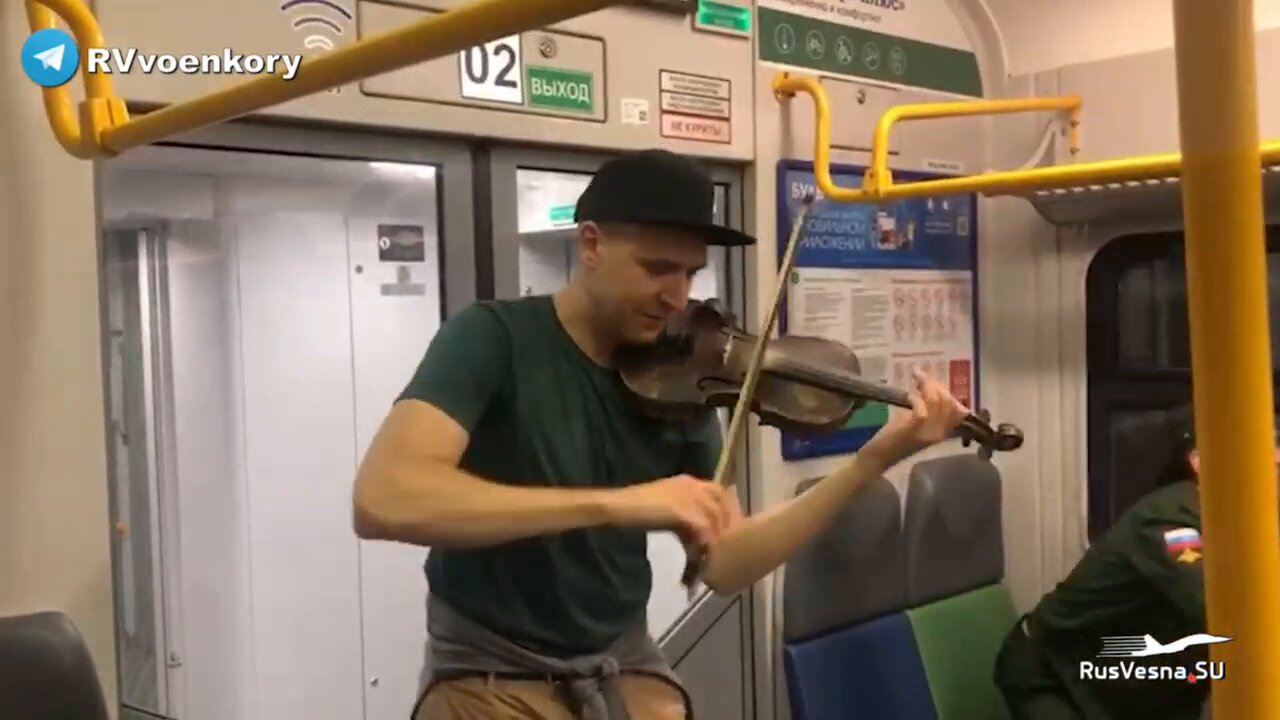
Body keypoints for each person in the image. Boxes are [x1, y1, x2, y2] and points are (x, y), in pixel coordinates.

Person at [351, 148, 971, 720]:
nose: (677, 297)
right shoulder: (492, 339)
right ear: (590, 244)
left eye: (690, 274)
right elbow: (385, 498)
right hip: (493, 674)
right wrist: (619, 504)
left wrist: (871, 461)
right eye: (657, 269)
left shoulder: (680, 381)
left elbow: (726, 563)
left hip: (620, 664)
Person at [993, 408, 1280, 720]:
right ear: (1199, 463)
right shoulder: (1170, 519)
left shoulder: (1245, 522)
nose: (1275, 466)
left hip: (1146, 687)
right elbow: (1222, 610)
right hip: (1058, 678)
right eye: (1264, 455)